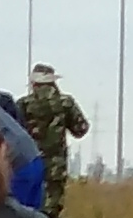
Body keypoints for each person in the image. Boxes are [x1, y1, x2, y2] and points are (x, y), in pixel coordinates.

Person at [18, 64, 90, 210]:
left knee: (27, 206)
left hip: (28, 163)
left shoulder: (23, 104)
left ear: (33, 82)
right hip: (56, 166)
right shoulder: (65, 102)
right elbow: (81, 129)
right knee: (52, 208)